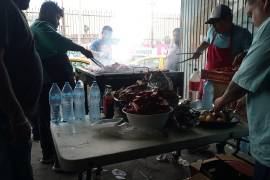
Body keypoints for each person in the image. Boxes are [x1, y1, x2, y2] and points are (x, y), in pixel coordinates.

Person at [30, 1, 93, 170]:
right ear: (50, 14)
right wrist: (82, 49)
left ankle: (52, 155)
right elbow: (59, 41)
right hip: (51, 83)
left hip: (50, 81)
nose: (58, 22)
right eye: (58, 17)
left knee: (49, 119)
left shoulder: (39, 27)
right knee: (54, 119)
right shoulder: (41, 27)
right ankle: (56, 157)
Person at [214, 0, 270, 179]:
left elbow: (244, 79)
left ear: (265, 3)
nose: (252, 20)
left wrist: (222, 100)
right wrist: (245, 99)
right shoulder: (212, 33)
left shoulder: (267, 29)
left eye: (251, 14)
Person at [0, 0, 43, 179]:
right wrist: (17, 118)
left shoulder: (15, 10)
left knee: (21, 166)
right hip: (8, 119)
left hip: (17, 115)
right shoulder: (3, 6)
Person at [193, 4, 252, 70]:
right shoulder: (212, 31)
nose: (214, 26)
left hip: (229, 78)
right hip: (209, 77)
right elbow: (207, 42)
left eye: (216, 22)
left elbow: (252, 53)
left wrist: (243, 55)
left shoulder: (242, 34)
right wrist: (199, 50)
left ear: (228, 20)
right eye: (212, 23)